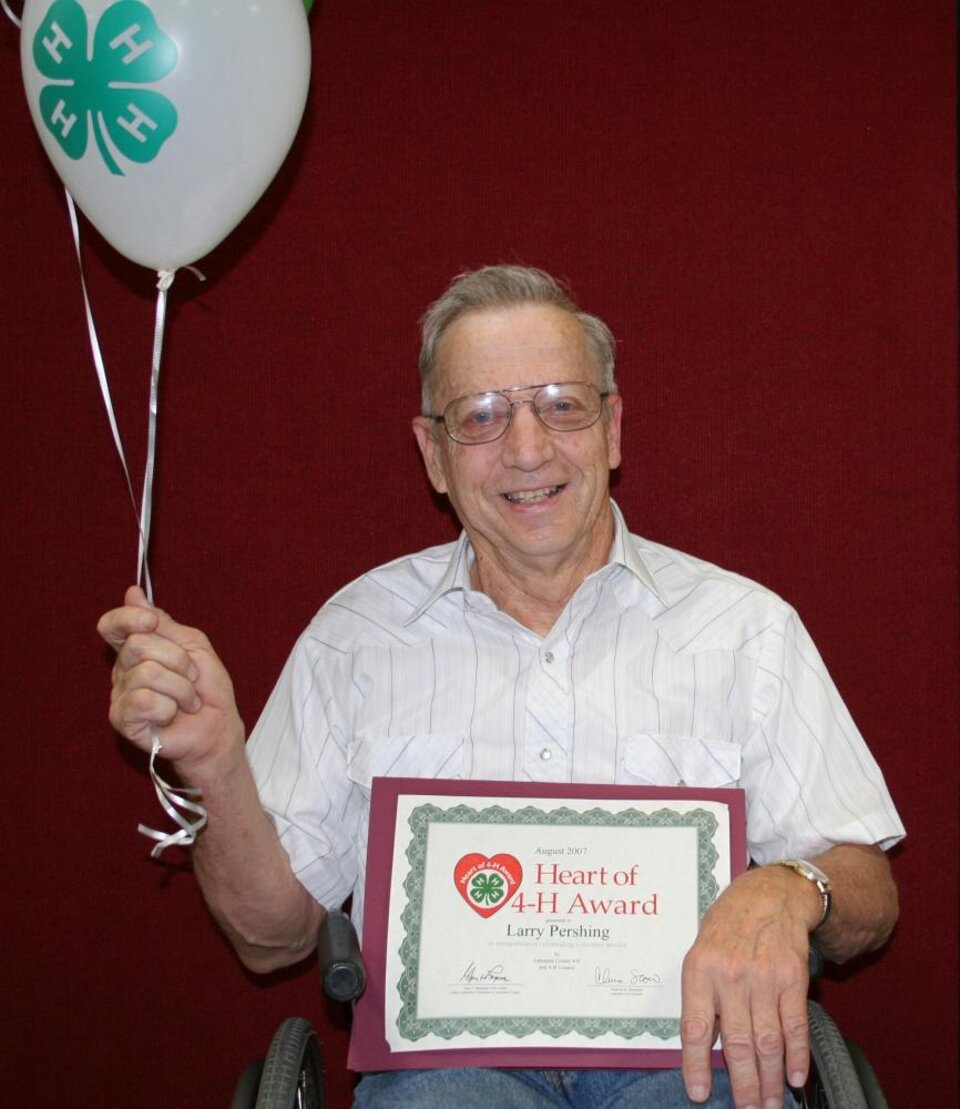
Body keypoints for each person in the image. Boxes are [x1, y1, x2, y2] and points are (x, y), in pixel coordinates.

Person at [99, 265, 903, 1109]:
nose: (526, 448)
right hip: (446, 1076)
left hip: (692, 1063)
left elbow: (869, 893)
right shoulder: (354, 637)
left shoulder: (745, 628)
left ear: (612, 428)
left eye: (561, 404)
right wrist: (218, 764)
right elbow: (271, 940)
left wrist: (790, 886)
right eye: (480, 416)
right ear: (433, 455)